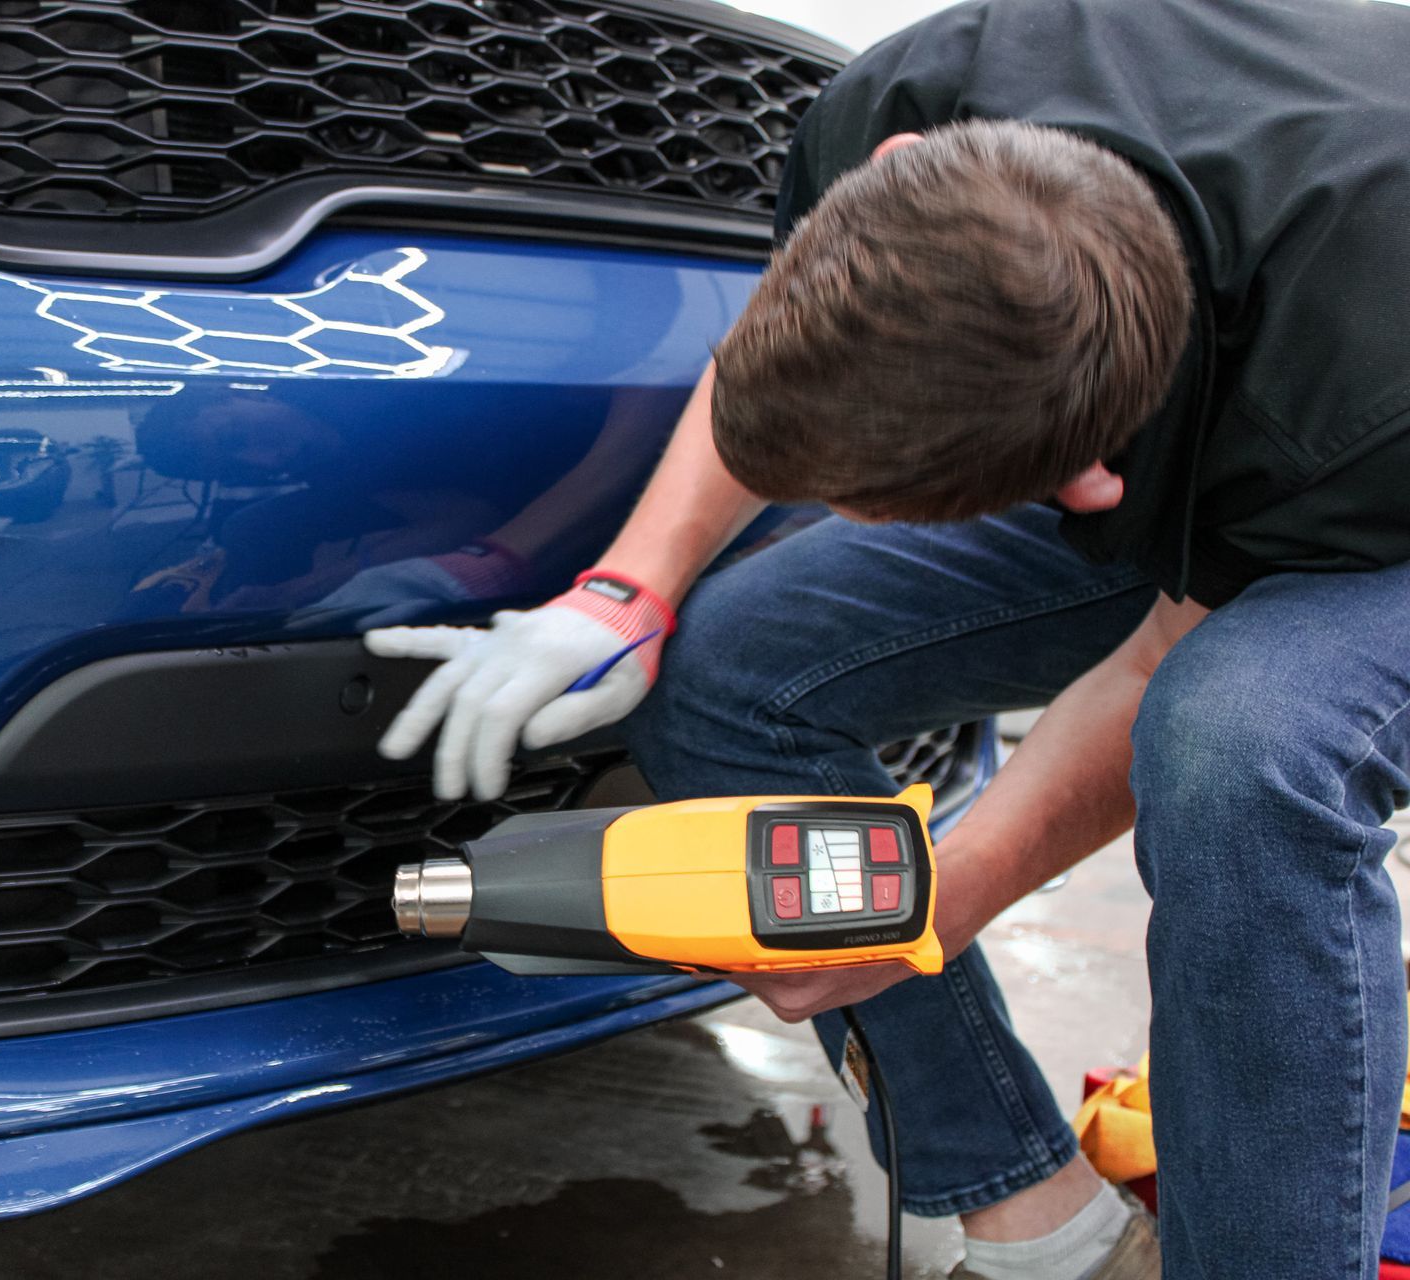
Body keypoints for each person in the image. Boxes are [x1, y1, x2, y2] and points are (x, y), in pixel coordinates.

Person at [362, 1, 1410, 1276]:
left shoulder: (1340, 403)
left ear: (1087, 480)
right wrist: (627, 593)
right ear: (893, 171)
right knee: (735, 659)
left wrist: (936, 904)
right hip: (1235, 357)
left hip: (1378, 456)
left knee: (1240, 739)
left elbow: (1153, 664)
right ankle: (1042, 1223)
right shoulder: (923, 93)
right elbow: (783, 354)